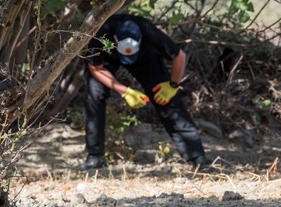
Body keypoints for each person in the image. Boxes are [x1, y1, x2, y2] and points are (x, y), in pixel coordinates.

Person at [81, 14, 209, 171]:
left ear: (141, 38)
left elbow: (179, 57)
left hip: (145, 58)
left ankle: (197, 158)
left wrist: (173, 85)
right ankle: (94, 157)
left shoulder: (148, 30)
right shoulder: (101, 34)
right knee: (94, 93)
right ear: (114, 38)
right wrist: (125, 91)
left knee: (165, 97)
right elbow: (95, 68)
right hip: (107, 58)